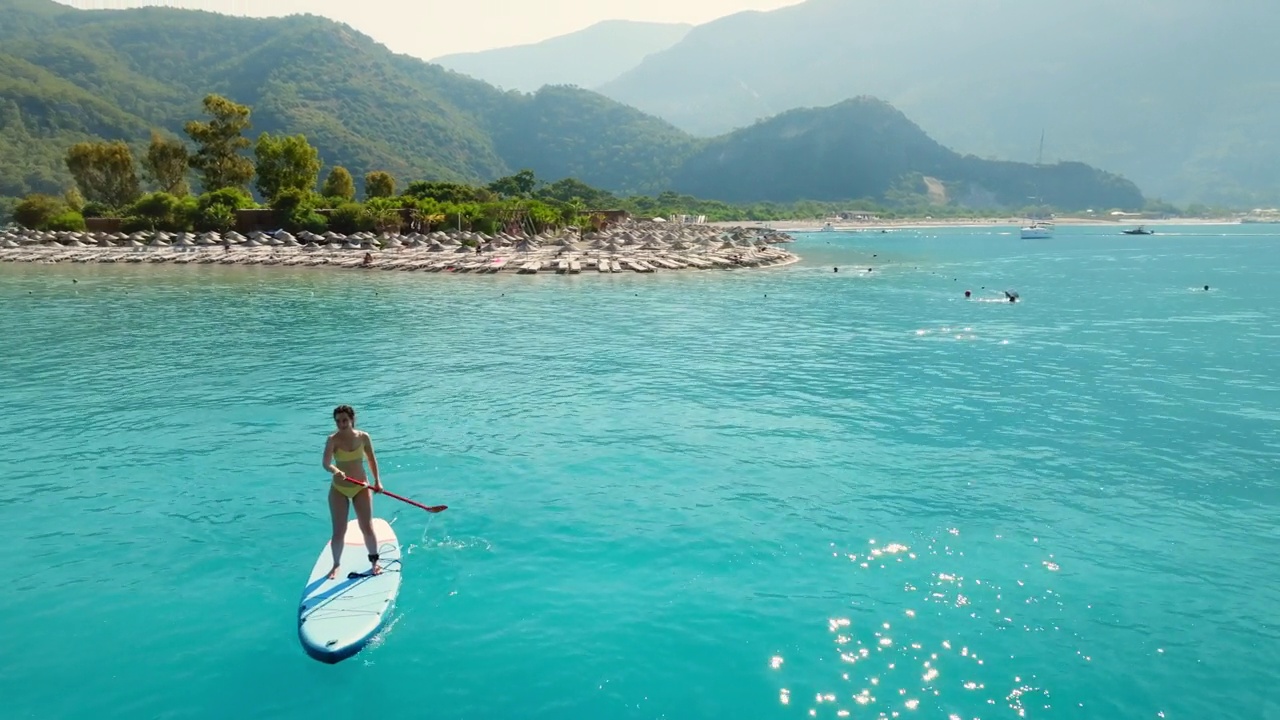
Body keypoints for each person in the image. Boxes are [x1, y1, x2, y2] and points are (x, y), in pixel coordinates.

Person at [321, 405, 384, 579]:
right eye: (338, 421)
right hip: (339, 489)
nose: (341, 424)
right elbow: (326, 463)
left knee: (367, 527)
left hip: (361, 487)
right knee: (339, 531)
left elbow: (371, 459)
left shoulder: (363, 437)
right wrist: (335, 471)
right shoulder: (332, 440)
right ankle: (335, 565)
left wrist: (378, 481)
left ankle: (374, 562)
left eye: (345, 420)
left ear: (352, 420)